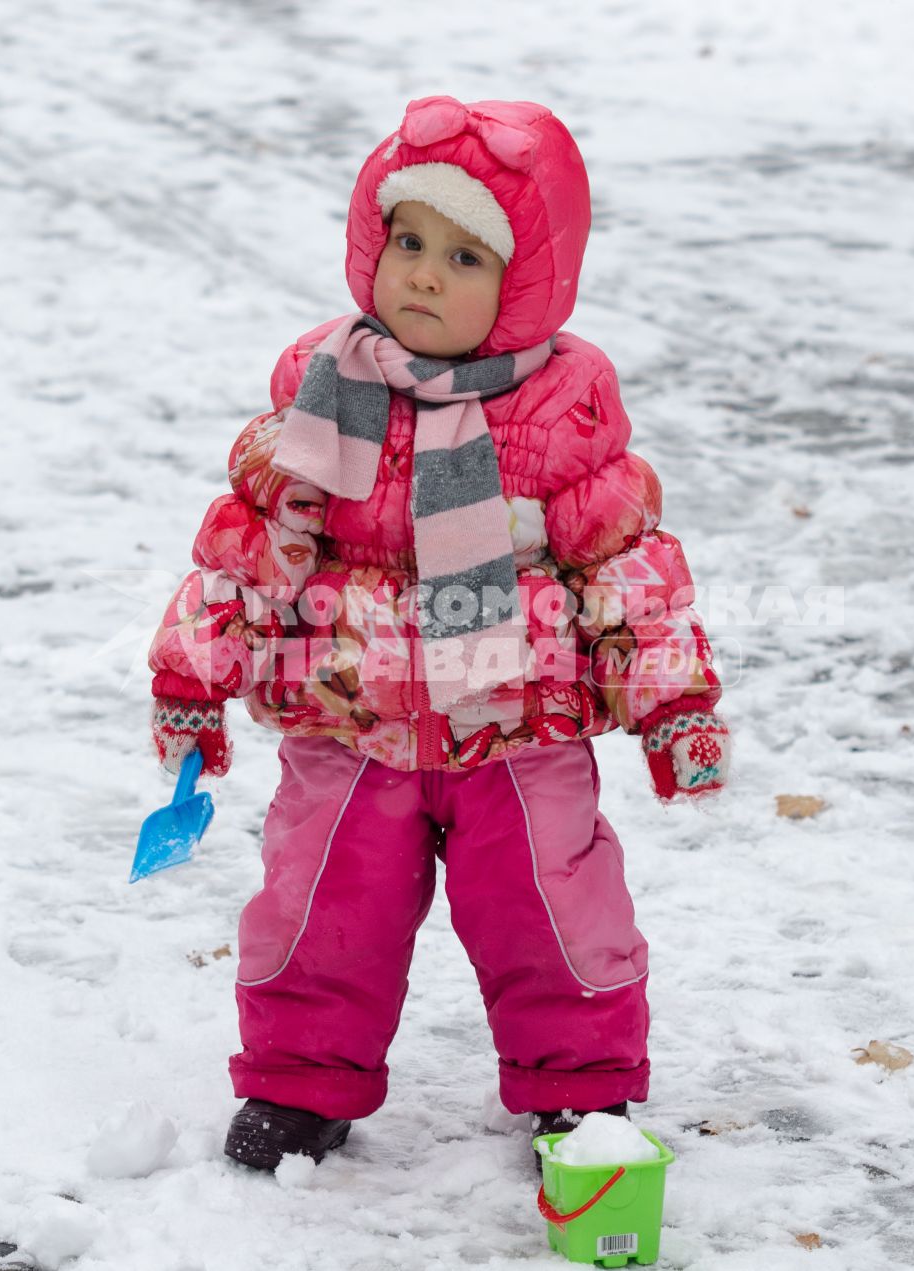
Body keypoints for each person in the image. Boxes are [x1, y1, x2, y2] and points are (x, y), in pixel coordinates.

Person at [146, 96, 731, 1172]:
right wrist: (195, 669)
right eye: (406, 239)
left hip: (516, 724)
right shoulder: (322, 397)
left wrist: (672, 699)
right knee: (322, 908)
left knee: (552, 910)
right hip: (347, 721)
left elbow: (624, 570)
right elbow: (248, 548)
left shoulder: (563, 418)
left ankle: (581, 1090)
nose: (422, 273)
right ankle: (300, 1084)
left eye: (466, 255)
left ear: (529, 282)